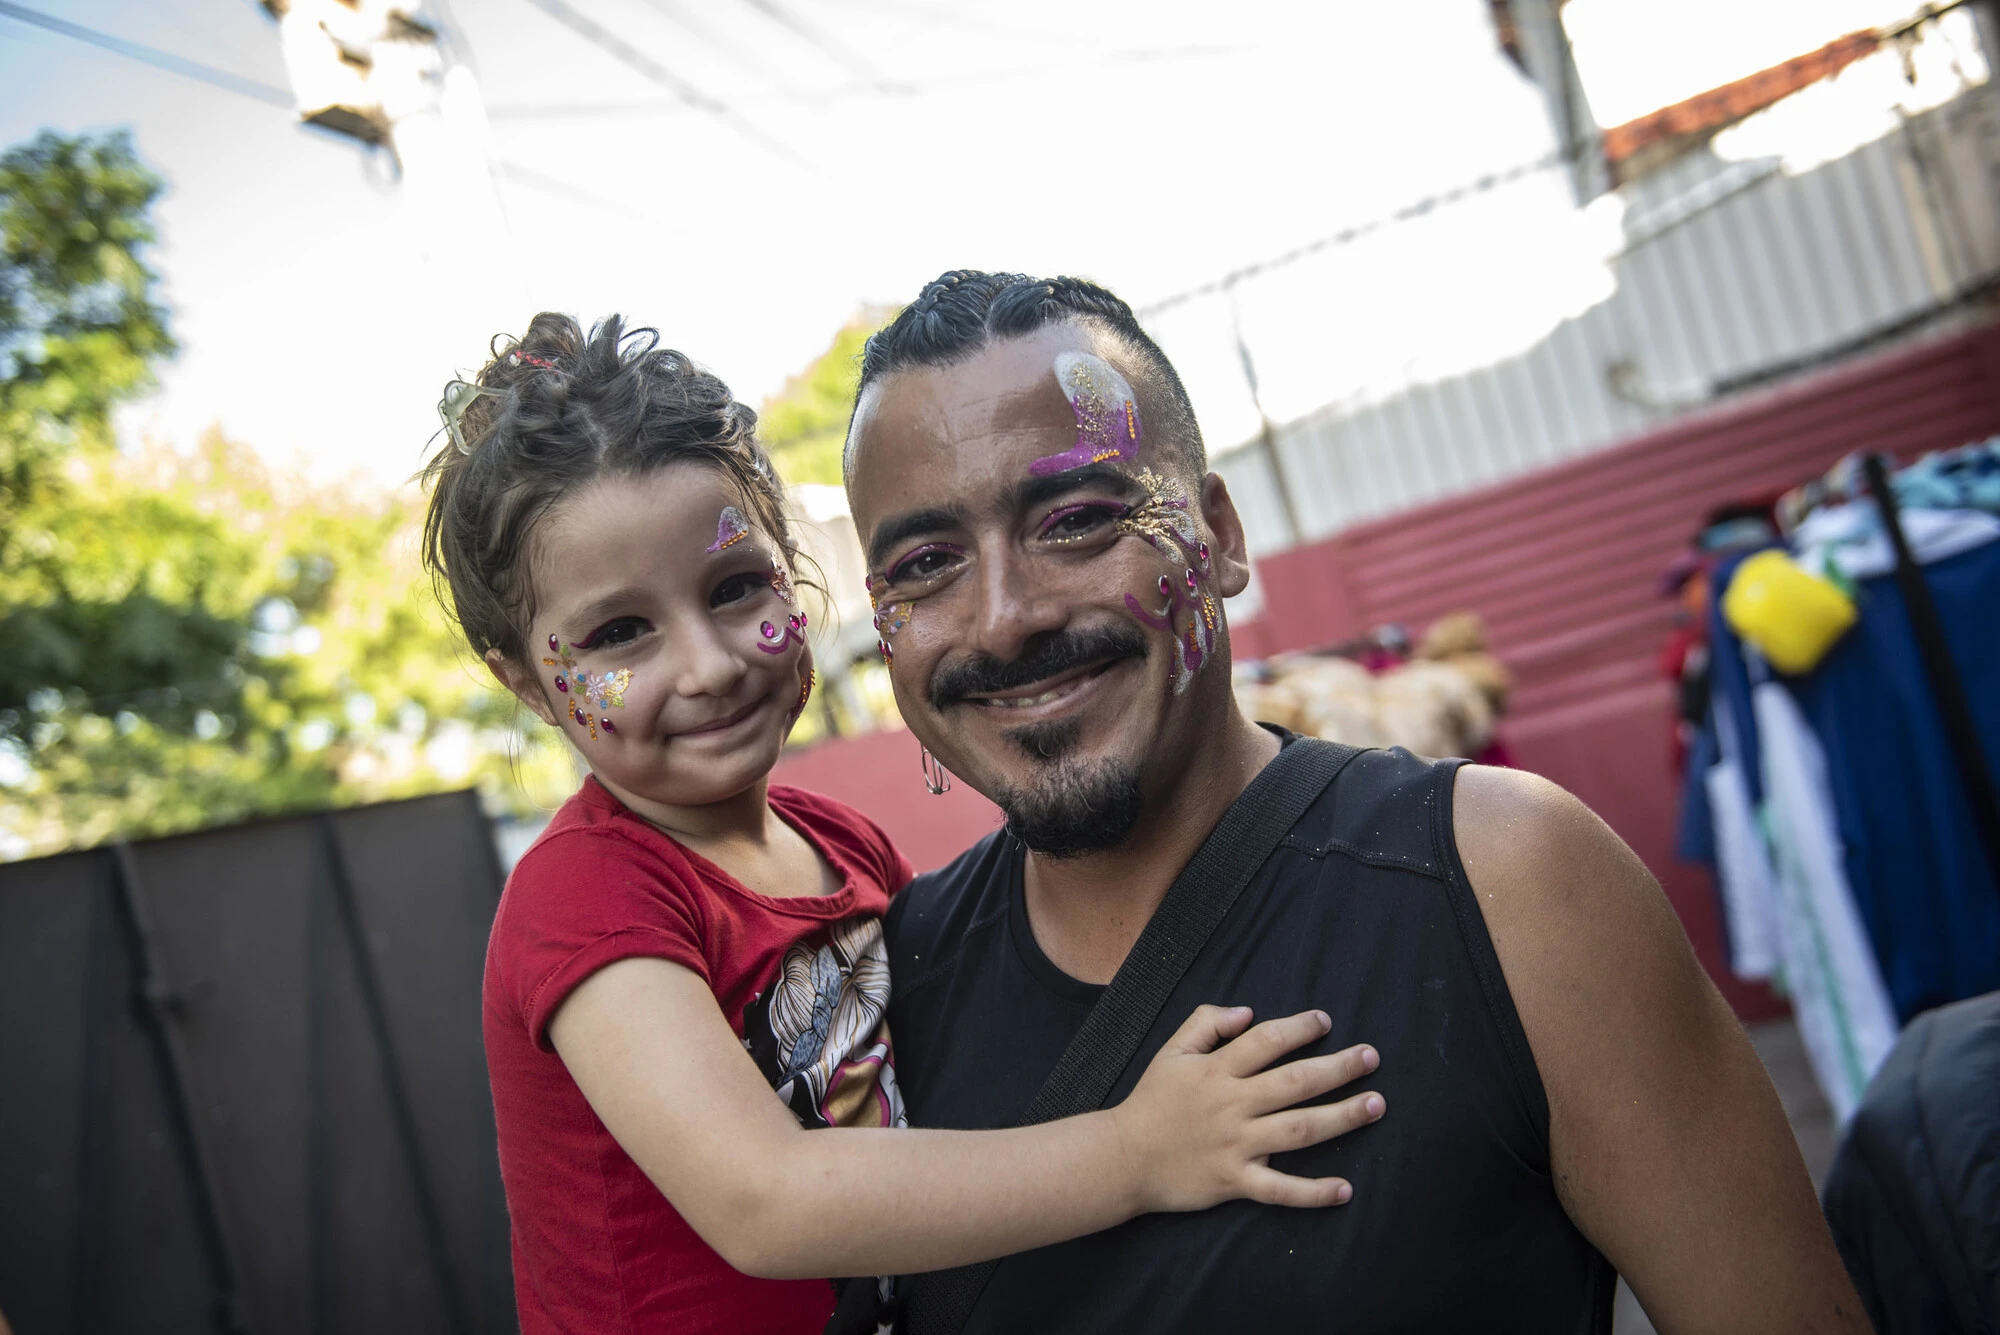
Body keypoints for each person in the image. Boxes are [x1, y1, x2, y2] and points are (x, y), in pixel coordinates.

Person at [842, 270, 1871, 1333]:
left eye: (1076, 522)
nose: (1002, 619)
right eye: (927, 564)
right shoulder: (873, 1000)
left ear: (1218, 536)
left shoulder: (1512, 885)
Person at [419, 314, 1389, 1335]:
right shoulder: (587, 896)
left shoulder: (843, 847)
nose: (707, 665)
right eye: (621, 633)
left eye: (737, 589)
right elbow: (766, 1203)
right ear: (525, 681)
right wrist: (1138, 1153)